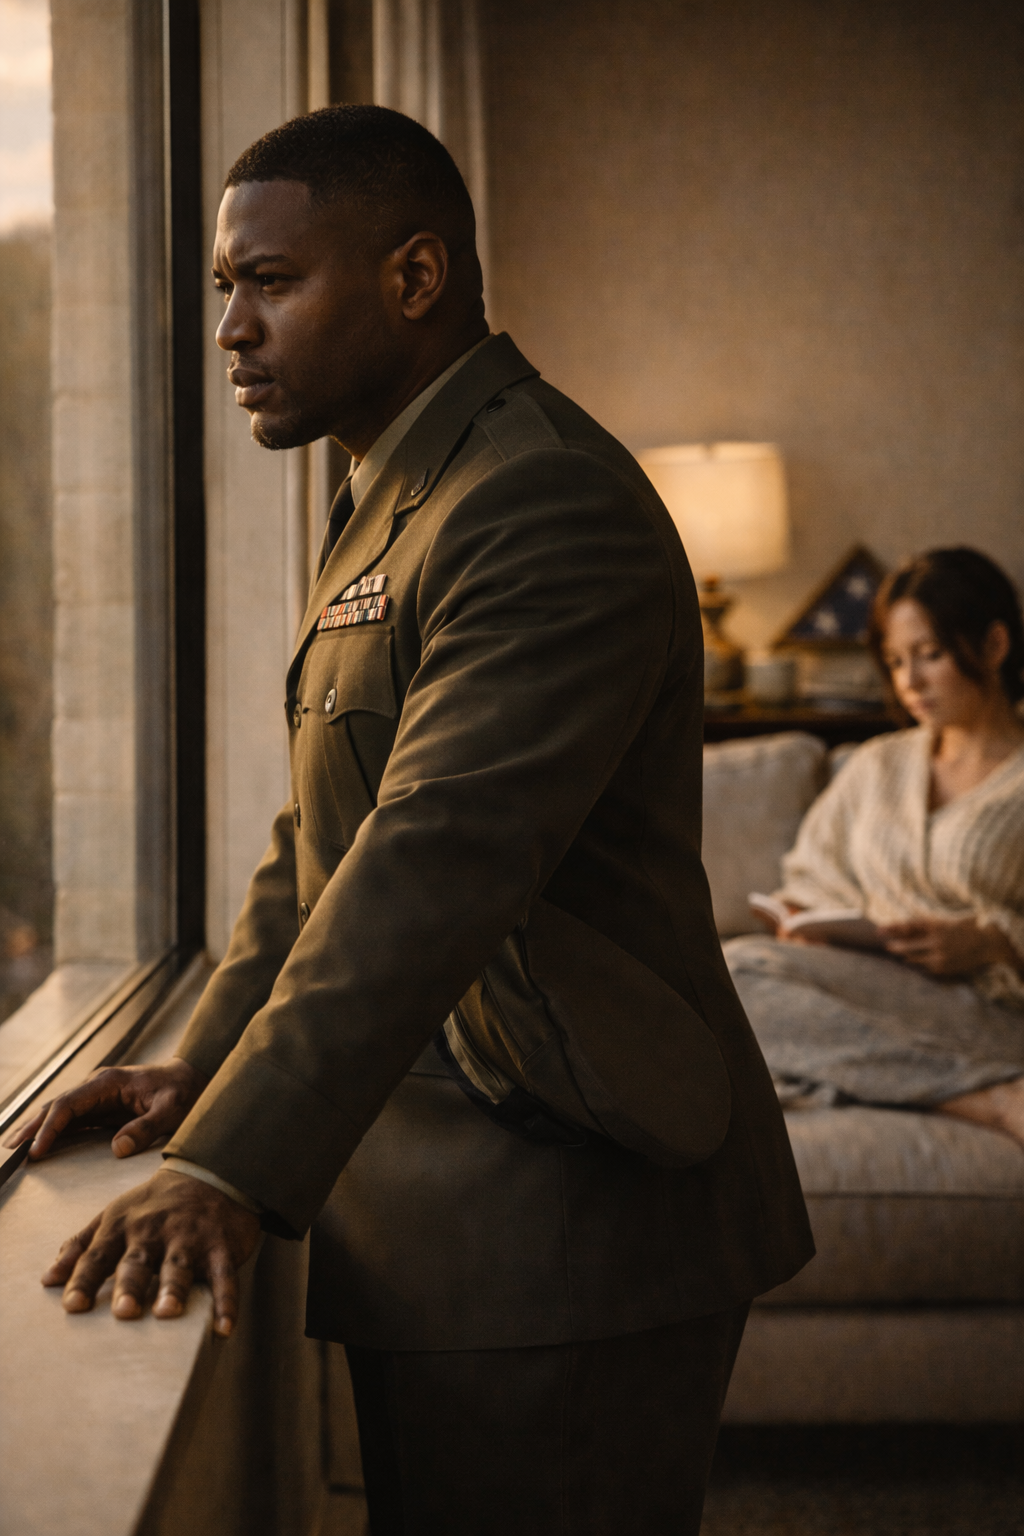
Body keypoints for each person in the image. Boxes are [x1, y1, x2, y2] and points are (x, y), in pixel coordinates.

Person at [6, 106, 812, 1535]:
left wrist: (227, 1165)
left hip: (573, 1208)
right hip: (458, 1210)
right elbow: (318, 843)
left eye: (270, 282)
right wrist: (203, 1064)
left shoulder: (535, 497)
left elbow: (424, 869)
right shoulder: (399, 490)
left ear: (416, 278)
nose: (230, 330)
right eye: (219, 290)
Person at [725, 547, 1024, 1146]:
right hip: (868, 988)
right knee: (728, 973)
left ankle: (847, 1073)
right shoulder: (876, 764)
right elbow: (811, 877)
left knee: (736, 987)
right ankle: (985, 1099)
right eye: (895, 661)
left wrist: (989, 940)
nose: (909, 682)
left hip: (986, 1008)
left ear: (994, 645)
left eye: (930, 656)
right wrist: (809, 922)